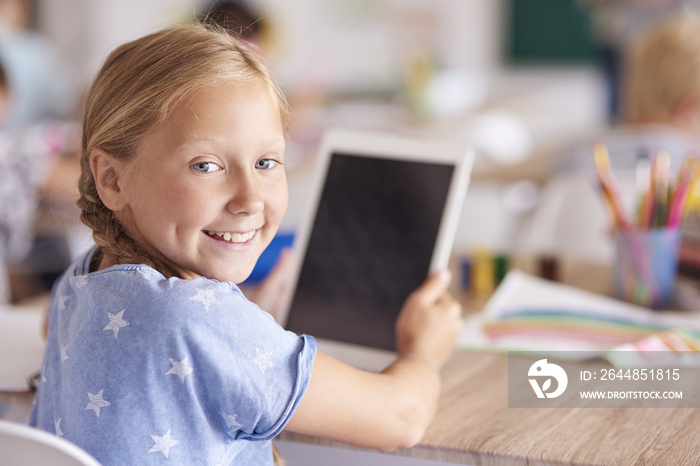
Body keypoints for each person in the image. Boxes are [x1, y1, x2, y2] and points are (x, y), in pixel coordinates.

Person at [28, 23, 463, 465]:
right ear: (111, 178)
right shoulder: (197, 322)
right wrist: (423, 349)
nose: (251, 198)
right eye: (205, 165)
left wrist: (243, 319)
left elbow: (74, 331)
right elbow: (401, 418)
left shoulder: (83, 276)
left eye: (266, 161)